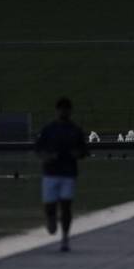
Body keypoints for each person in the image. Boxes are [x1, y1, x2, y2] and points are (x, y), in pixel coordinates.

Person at [34, 97, 88, 252]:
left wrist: (77, 154)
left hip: (68, 173)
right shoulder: (49, 129)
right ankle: (51, 218)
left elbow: (84, 150)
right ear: (57, 111)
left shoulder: (75, 130)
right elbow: (38, 148)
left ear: (70, 111)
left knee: (66, 206)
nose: (64, 112)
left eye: (66, 109)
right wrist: (46, 156)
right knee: (50, 207)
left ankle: (65, 238)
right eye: (61, 109)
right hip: (50, 173)